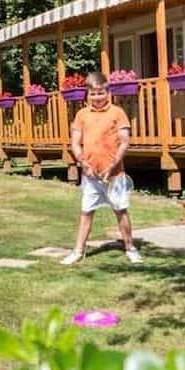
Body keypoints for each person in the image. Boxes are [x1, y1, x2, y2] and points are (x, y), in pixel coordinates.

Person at [61, 72, 143, 266]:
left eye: (100, 93)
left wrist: (112, 166)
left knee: (121, 211)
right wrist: (83, 163)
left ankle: (130, 248)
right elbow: (75, 143)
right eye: (93, 93)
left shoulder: (117, 113)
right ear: (87, 94)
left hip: (114, 176)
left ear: (108, 92)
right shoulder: (82, 115)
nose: (97, 97)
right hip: (90, 176)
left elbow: (124, 142)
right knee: (86, 212)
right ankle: (78, 251)